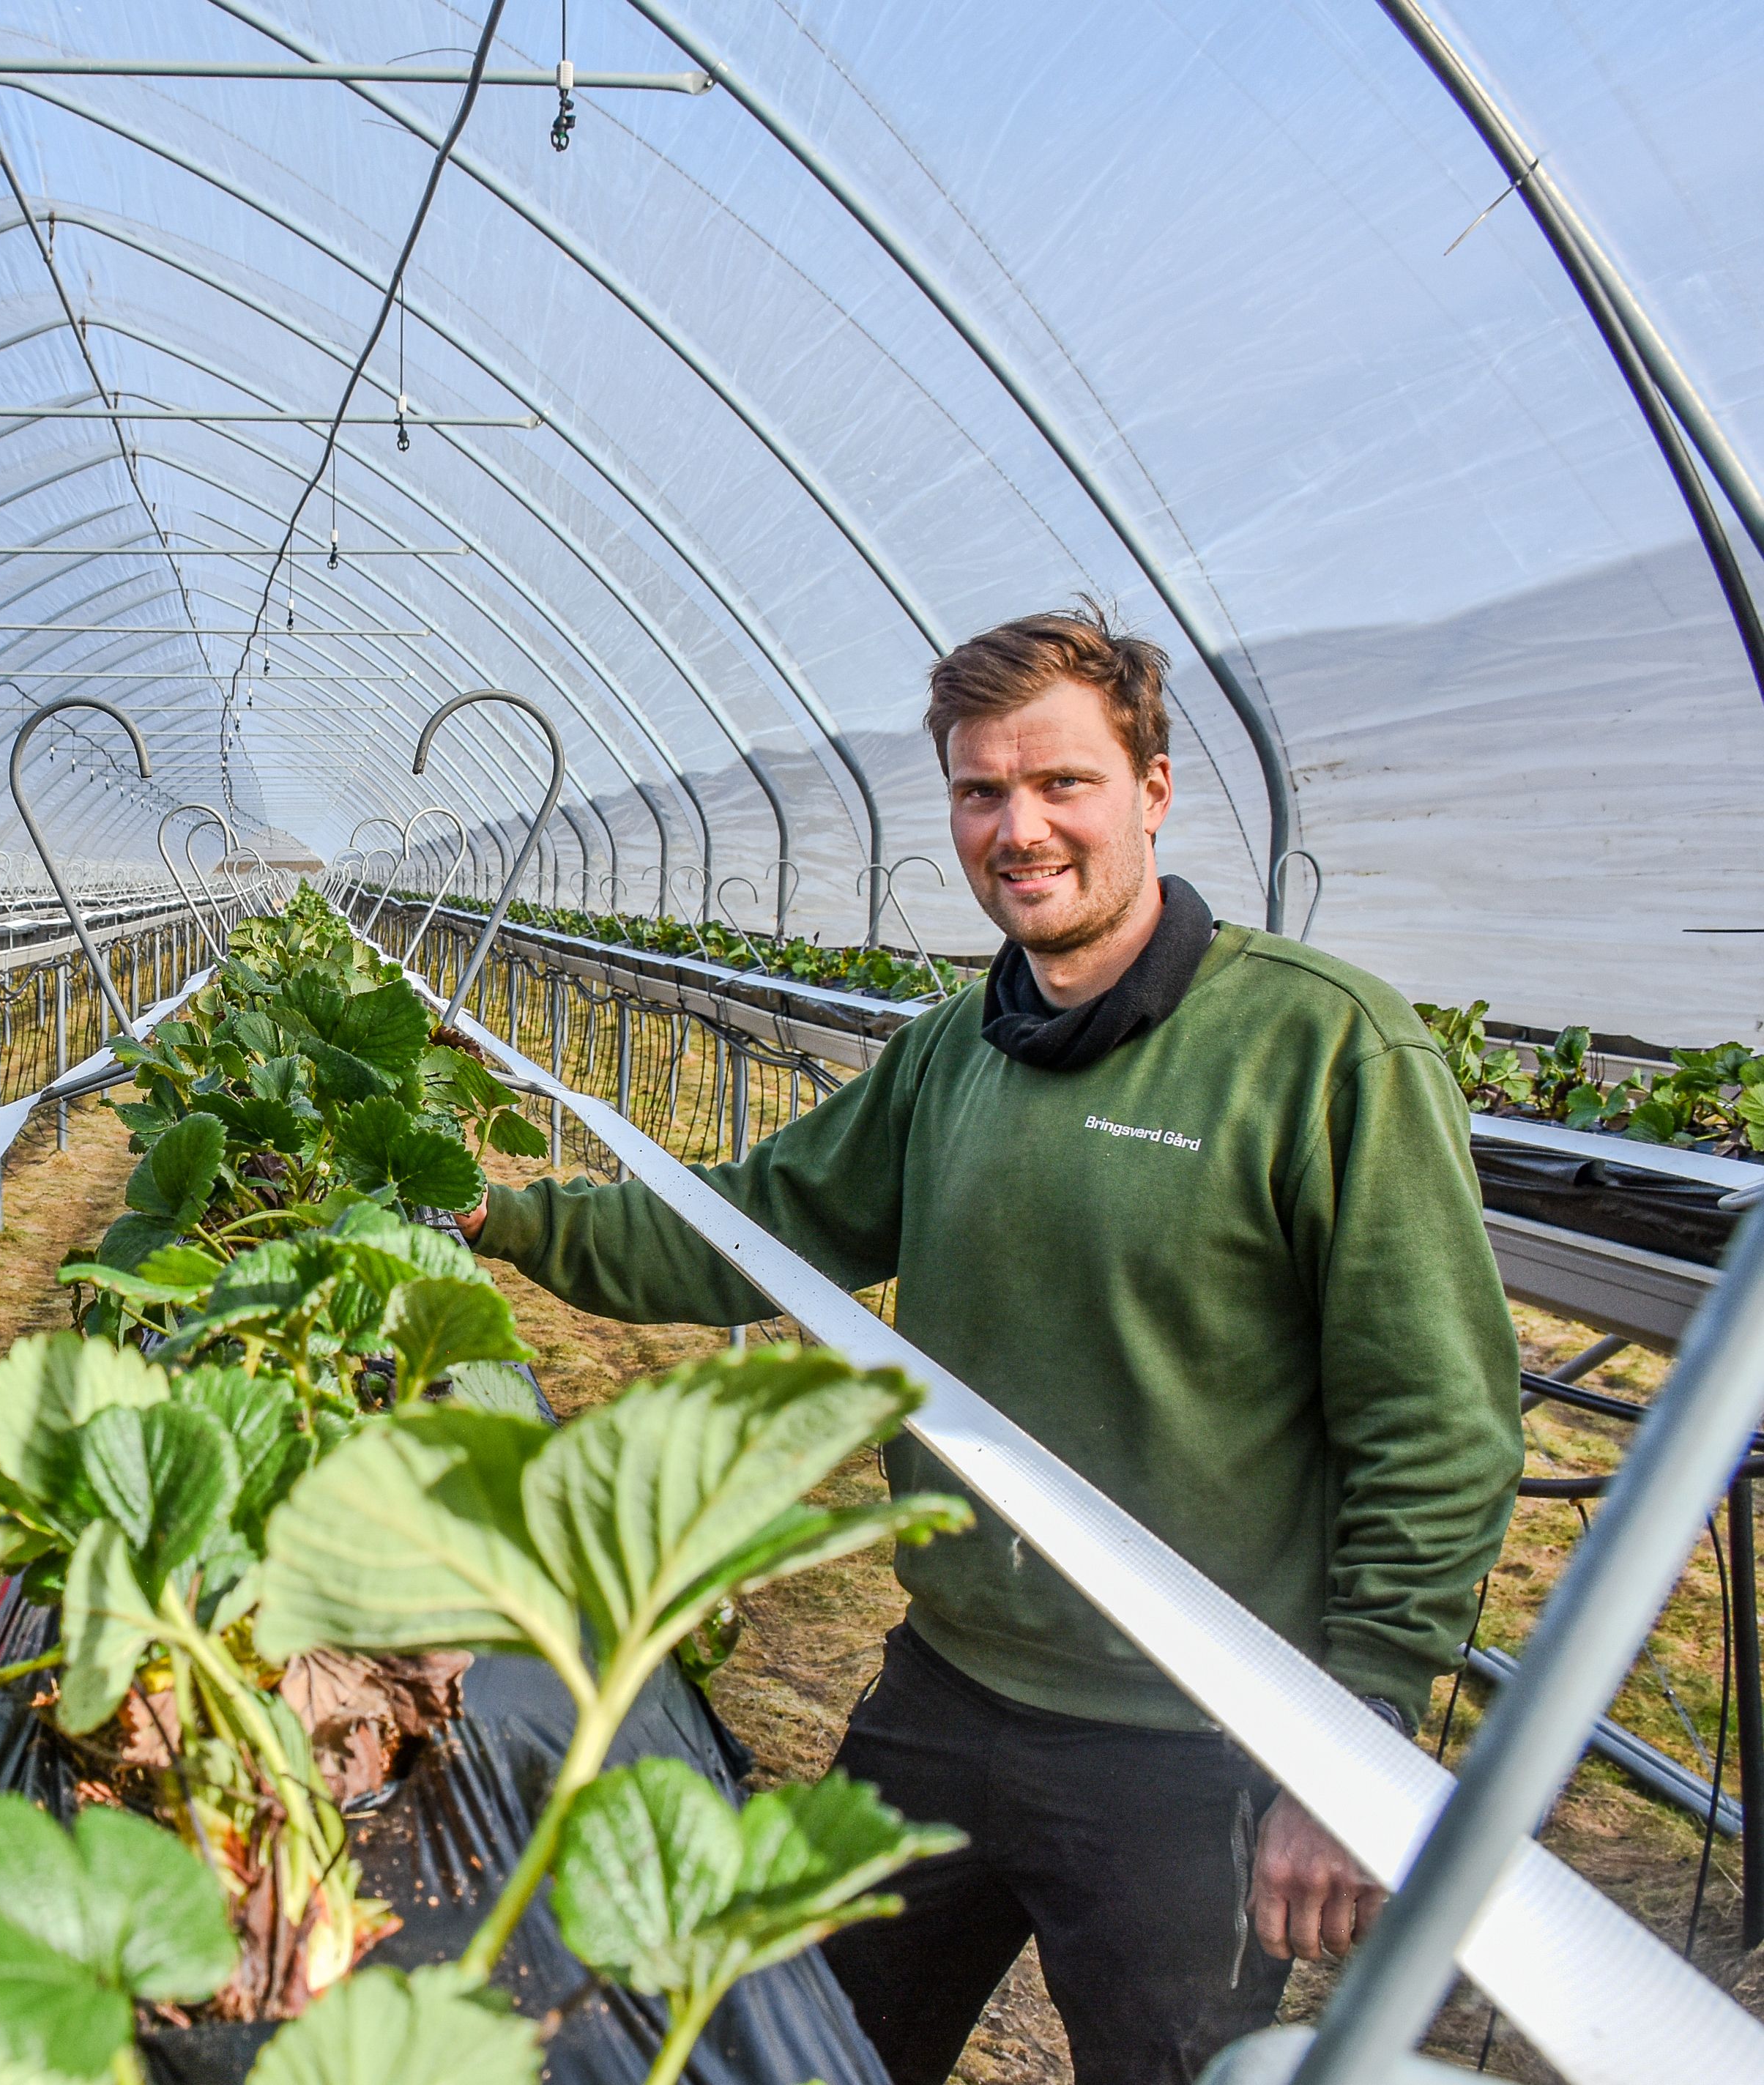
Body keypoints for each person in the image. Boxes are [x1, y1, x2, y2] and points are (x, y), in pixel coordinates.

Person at [458, 605, 1522, 2085]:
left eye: (1063, 782)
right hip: (948, 1688)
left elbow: (1439, 1422)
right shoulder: (954, 1048)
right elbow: (750, 1225)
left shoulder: (1322, 1050)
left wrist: (1356, 1746)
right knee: (805, 2046)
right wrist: (494, 1215)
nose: (1019, 828)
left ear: (1152, 790)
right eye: (981, 790)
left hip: (1197, 1746)